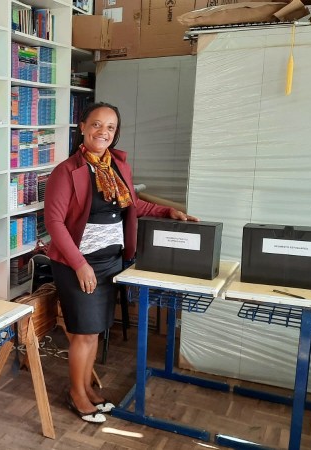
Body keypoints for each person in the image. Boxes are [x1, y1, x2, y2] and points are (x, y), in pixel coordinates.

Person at [44, 102, 198, 423]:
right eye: (97, 125)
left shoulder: (117, 166)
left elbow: (133, 204)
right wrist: (79, 264)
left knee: (96, 331)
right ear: (83, 128)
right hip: (78, 264)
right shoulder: (67, 171)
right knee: (83, 333)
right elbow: (54, 223)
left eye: (110, 127)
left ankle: (86, 388)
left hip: (110, 261)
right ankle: (76, 394)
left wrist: (166, 211)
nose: (103, 132)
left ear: (116, 134)